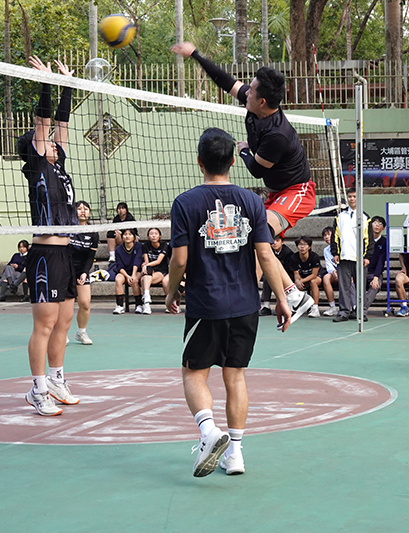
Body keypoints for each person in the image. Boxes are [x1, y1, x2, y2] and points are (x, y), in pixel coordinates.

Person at [165, 127, 291, 478]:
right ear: (234, 161)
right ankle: (235, 454)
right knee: (235, 376)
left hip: (206, 304)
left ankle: (209, 432)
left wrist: (172, 292)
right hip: (246, 305)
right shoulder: (252, 201)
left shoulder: (185, 203)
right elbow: (266, 255)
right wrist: (283, 299)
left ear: (199, 161)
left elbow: (179, 260)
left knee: (194, 373)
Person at [172, 41, 316, 325]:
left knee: (258, 236)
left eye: (251, 90)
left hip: (297, 192)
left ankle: (287, 297)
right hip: (277, 192)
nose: (246, 91)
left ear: (262, 101)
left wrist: (243, 150)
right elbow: (225, 80)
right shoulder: (255, 105)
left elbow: (256, 170)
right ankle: (295, 296)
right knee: (255, 239)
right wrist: (195, 54)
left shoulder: (277, 135)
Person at [18, 56, 79, 416]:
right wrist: (44, 81)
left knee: (64, 322)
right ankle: (37, 389)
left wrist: (66, 84)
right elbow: (44, 122)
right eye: (48, 142)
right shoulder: (39, 165)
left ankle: (56, 379)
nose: (56, 143)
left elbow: (61, 124)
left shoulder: (60, 165)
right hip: (44, 256)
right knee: (44, 325)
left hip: (66, 254)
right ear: (37, 148)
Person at [331, 188, 371, 322]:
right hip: (344, 256)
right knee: (344, 287)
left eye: (354, 196)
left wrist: (367, 256)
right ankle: (344, 311)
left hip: (360, 258)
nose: (352, 199)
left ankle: (361, 312)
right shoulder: (340, 216)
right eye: (350, 196)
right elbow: (335, 236)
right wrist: (335, 253)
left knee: (360, 287)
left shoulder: (365, 217)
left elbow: (369, 239)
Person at [69, 201, 98, 344]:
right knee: (66, 305)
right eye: (79, 208)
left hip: (82, 270)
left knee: (85, 303)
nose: (82, 211)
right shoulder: (67, 228)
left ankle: (81, 332)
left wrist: (85, 272)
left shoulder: (93, 232)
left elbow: (90, 257)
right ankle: (61, 334)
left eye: (86, 209)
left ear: (89, 213)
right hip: (66, 269)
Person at [285, 236, 322, 317]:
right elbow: (296, 273)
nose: (302, 247)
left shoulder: (314, 257)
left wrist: (300, 281)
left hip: (316, 277)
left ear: (309, 247)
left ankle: (315, 308)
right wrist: (297, 281)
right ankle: (294, 308)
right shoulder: (294, 257)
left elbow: (314, 275)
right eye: (300, 244)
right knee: (295, 285)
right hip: (302, 278)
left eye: (305, 244)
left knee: (313, 282)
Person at [259, 235, 295, 316]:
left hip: (286, 276)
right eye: (273, 240)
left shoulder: (288, 253)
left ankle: (284, 305)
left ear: (282, 242)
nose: (274, 243)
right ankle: (266, 306)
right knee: (267, 278)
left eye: (277, 240)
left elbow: (290, 270)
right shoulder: (268, 251)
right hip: (272, 274)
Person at [112, 228, 143, 314]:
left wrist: (133, 275)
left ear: (134, 236)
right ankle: (119, 306)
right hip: (124, 272)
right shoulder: (118, 249)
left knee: (134, 280)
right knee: (118, 279)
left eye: (130, 234)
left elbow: (137, 261)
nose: (127, 236)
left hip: (137, 271)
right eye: (125, 234)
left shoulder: (139, 246)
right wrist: (127, 276)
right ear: (122, 237)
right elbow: (119, 266)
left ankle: (139, 305)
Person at [140, 227, 170, 315]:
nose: (153, 236)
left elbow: (158, 261)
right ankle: (147, 300)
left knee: (143, 280)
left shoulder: (164, 245)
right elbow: (146, 261)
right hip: (151, 270)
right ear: (148, 236)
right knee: (144, 278)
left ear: (160, 236)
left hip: (161, 271)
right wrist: (146, 266)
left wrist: (145, 266)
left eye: (156, 234)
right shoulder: (146, 245)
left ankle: (146, 303)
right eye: (151, 234)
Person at [363, 216, 387, 316]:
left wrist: (376, 277)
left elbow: (381, 261)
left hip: (374, 272)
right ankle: (354, 306)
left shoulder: (384, 242)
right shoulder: (364, 239)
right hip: (362, 271)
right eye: (375, 223)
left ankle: (362, 309)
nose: (377, 225)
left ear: (383, 228)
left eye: (380, 223)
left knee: (375, 285)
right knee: (350, 283)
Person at [319, 226, 341, 317]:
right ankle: (332, 307)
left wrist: (340, 272)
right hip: (334, 273)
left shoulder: (342, 246)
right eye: (325, 235)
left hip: (345, 272)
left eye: (329, 234)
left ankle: (352, 306)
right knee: (326, 277)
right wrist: (333, 272)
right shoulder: (326, 250)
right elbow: (328, 265)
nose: (327, 237)